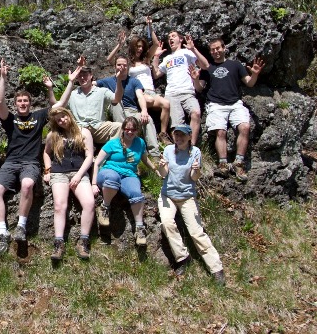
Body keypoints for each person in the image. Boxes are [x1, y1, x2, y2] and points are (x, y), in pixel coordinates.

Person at [0, 59, 78, 255]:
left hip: (30, 162)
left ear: (30, 104)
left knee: (28, 184)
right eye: (19, 101)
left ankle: (21, 226)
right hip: (11, 162)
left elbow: (60, 105)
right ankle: (2, 232)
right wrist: (3, 78)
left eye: (26, 101)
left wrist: (67, 83)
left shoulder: (38, 117)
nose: (23, 104)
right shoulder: (10, 119)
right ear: (16, 104)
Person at [156, 124, 225, 285]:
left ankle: (216, 268)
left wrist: (197, 170)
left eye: (182, 135)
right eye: (176, 135)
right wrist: (161, 167)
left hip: (187, 197)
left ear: (189, 137)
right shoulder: (168, 150)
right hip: (168, 195)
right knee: (166, 223)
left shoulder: (195, 152)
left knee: (196, 232)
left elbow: (194, 178)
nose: (178, 138)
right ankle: (183, 257)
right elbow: (163, 175)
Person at [192, 38, 265, 181]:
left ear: (224, 48)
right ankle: (223, 164)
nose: (215, 52)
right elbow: (200, 88)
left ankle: (238, 163)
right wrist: (195, 79)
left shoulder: (235, 65)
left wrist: (255, 74)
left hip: (235, 103)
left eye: (218, 48)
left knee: (244, 127)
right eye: (212, 50)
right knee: (220, 131)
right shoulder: (208, 68)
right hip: (215, 104)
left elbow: (249, 83)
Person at [92, 117, 159, 245]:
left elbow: (145, 159)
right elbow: (97, 163)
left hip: (129, 175)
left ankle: (139, 228)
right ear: (122, 129)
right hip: (109, 172)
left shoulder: (140, 143)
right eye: (127, 129)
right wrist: (94, 183)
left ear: (137, 130)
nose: (130, 132)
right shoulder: (112, 143)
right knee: (113, 178)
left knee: (136, 194)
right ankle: (105, 208)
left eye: (133, 129)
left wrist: (155, 170)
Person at [107, 18, 172, 143]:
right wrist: (119, 45)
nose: (140, 49)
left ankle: (163, 134)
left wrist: (150, 27)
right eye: (137, 46)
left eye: (142, 47)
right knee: (149, 99)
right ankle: (143, 115)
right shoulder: (128, 64)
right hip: (139, 92)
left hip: (151, 90)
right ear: (133, 47)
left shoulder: (147, 59)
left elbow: (156, 44)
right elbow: (110, 60)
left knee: (166, 104)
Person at [42, 107, 95, 261]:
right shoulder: (53, 135)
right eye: (58, 119)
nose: (62, 121)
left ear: (69, 115)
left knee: (89, 203)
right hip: (59, 173)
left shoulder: (83, 132)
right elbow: (46, 152)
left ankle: (83, 241)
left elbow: (89, 156)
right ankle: (59, 243)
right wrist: (47, 170)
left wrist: (78, 176)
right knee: (60, 205)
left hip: (79, 172)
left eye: (63, 117)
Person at [95, 54, 160, 158]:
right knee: (116, 101)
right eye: (119, 64)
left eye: (124, 65)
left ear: (128, 66)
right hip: (116, 110)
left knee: (147, 119)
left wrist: (144, 110)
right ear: (114, 66)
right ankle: (123, 144)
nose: (122, 67)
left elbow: (140, 96)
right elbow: (91, 84)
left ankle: (155, 154)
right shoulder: (107, 81)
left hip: (132, 111)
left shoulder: (134, 81)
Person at [151, 31, 209, 145]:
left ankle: (191, 146)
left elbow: (205, 65)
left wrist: (193, 49)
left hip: (188, 92)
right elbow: (156, 74)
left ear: (180, 39)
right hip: (172, 94)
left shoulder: (187, 52)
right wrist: (156, 56)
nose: (170, 39)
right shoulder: (167, 58)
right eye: (169, 37)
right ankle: (179, 148)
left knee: (196, 113)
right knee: (178, 125)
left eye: (173, 36)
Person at [67, 57, 124, 145]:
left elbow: (117, 99)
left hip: (99, 127)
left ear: (91, 76)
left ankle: (109, 152)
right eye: (80, 75)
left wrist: (119, 80)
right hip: (80, 129)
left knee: (119, 127)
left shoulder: (102, 91)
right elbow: (58, 107)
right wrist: (50, 89)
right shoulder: (72, 94)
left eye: (85, 75)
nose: (82, 78)